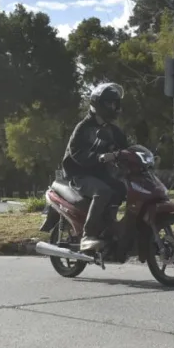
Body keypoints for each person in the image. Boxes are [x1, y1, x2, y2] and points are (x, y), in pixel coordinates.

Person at [61, 82, 129, 252]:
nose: (113, 107)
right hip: (79, 174)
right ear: (98, 104)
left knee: (122, 189)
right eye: (109, 103)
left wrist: (143, 157)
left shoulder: (113, 130)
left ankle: (109, 226)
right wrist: (98, 157)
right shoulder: (83, 128)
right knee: (103, 192)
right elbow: (76, 152)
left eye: (115, 104)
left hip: (100, 174)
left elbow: (126, 149)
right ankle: (88, 235)